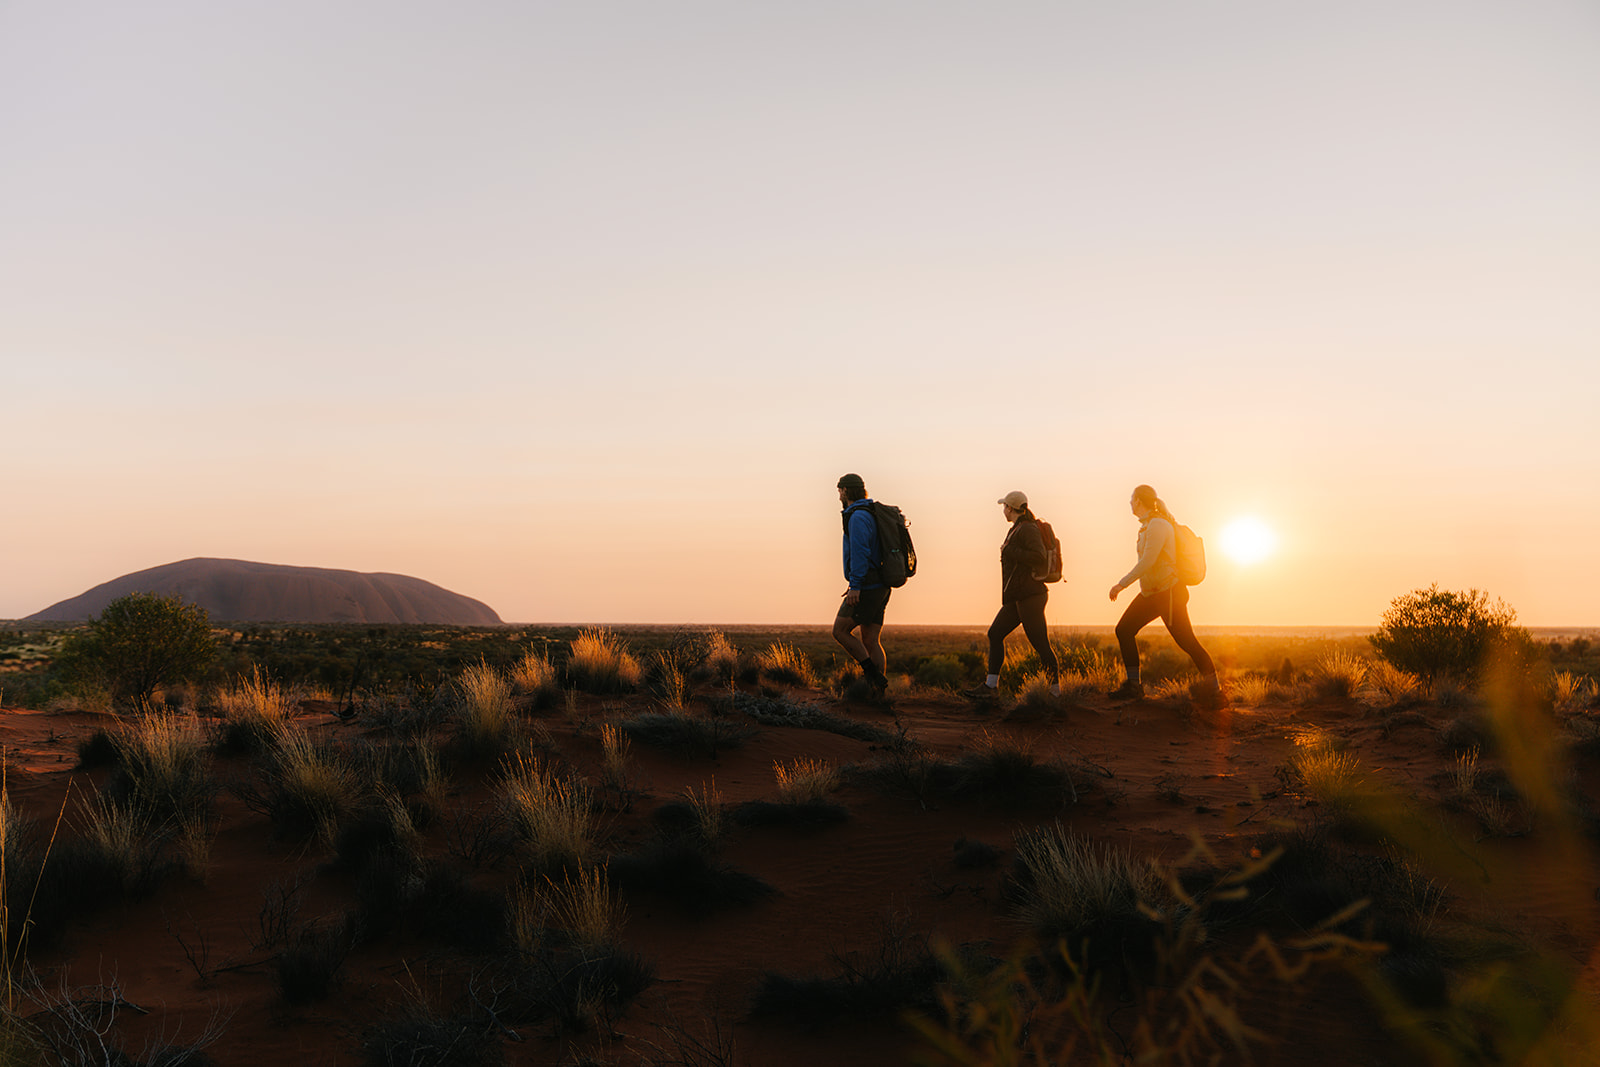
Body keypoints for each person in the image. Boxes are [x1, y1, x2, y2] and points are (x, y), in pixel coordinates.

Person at [1107, 484, 1224, 708]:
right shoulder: (1147, 526)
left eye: (1132, 499)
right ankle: (1133, 687)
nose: (1130, 503)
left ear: (1140, 500)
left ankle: (1216, 693)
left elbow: (1147, 561)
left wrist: (1120, 585)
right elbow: (1149, 564)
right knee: (1124, 630)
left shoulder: (1159, 525)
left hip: (1169, 595)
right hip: (1153, 593)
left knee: (1188, 642)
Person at [965, 491, 1061, 701]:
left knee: (1040, 644)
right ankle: (991, 687)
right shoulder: (1018, 528)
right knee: (995, 633)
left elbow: (1038, 556)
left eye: (1005, 507)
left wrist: (1010, 551)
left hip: (1031, 596)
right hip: (1018, 596)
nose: (1003, 510)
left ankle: (1055, 693)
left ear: (1011, 508)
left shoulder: (1027, 528)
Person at [833, 473, 890, 690]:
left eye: (839, 490)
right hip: (880, 585)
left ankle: (872, 676)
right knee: (870, 639)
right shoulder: (871, 513)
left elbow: (860, 553)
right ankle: (878, 693)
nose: (838, 494)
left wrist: (855, 586)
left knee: (839, 631)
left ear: (846, 491)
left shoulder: (857, 517)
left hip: (867, 585)